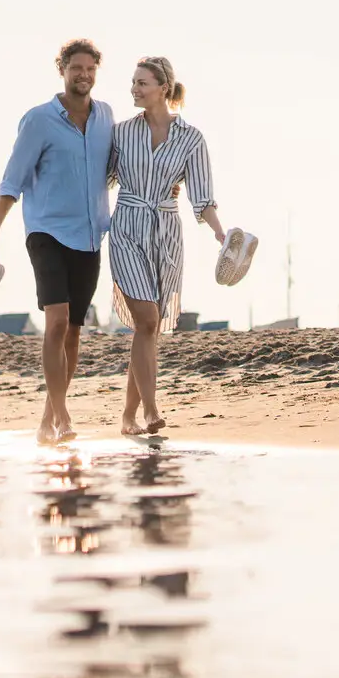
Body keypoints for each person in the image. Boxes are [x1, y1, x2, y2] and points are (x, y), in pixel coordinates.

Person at [0, 39, 116, 445]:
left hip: (89, 236)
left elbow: (119, 167)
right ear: (62, 70)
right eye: (76, 68)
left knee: (73, 331)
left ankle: (47, 419)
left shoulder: (105, 116)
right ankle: (64, 416)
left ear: (96, 72)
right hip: (46, 232)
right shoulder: (38, 120)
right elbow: (11, 180)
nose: (83, 75)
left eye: (90, 68)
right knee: (55, 323)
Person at [107, 56, 226, 435]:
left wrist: (221, 234)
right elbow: (99, 179)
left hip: (166, 232)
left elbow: (203, 197)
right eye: (133, 82)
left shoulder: (191, 138)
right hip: (126, 226)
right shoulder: (121, 133)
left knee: (149, 328)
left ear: (163, 88)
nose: (134, 89)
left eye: (142, 83)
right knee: (146, 320)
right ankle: (151, 411)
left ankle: (127, 417)